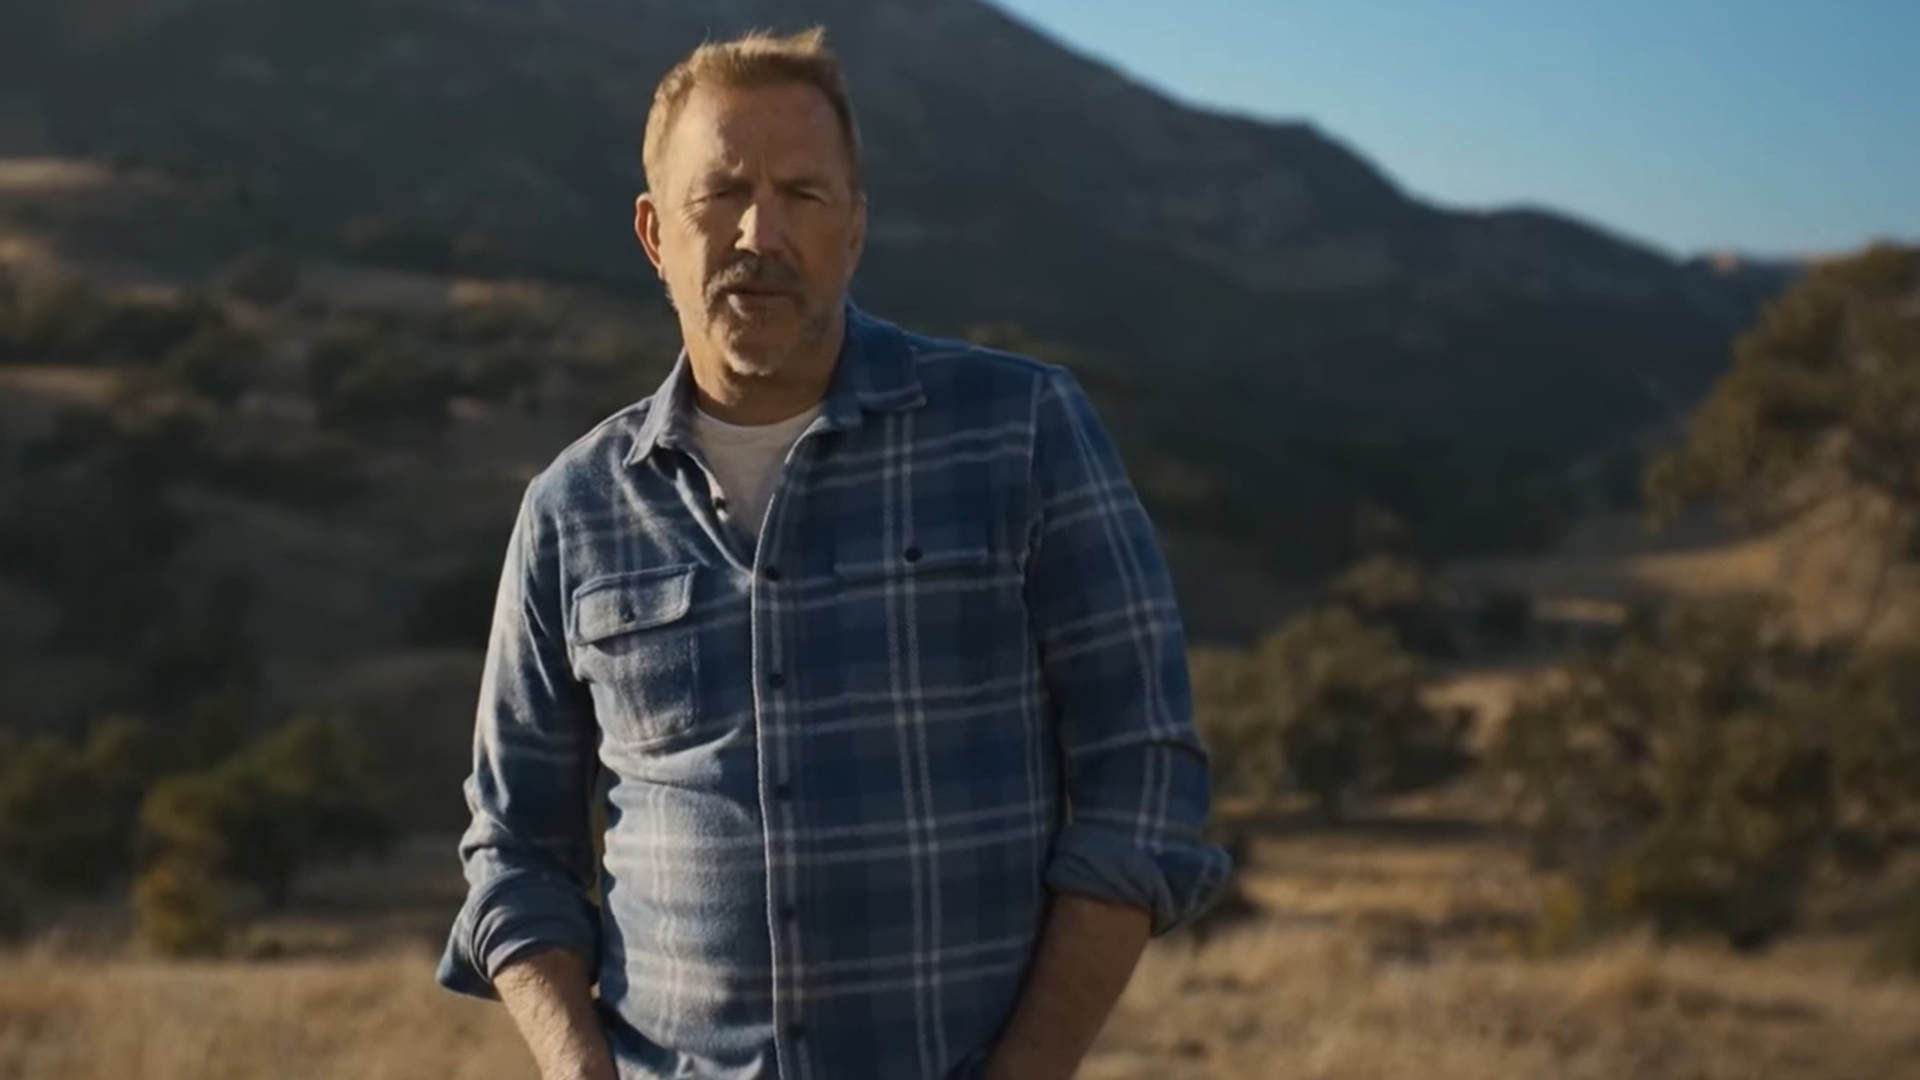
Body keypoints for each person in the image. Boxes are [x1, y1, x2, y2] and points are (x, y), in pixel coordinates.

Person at [436, 25, 1231, 1080]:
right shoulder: (572, 508)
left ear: (854, 230)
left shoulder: (1023, 432)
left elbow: (1143, 781)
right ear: (654, 234)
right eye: (721, 192)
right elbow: (514, 852)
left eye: (804, 194)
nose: (761, 230)